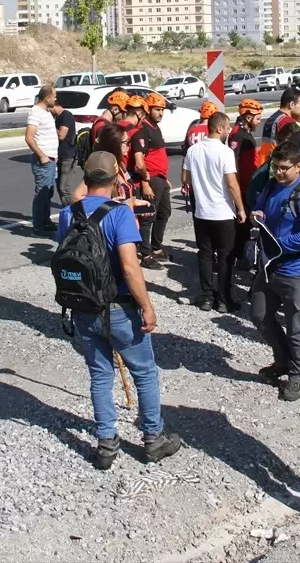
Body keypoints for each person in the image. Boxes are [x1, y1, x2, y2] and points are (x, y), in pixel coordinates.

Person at [59, 151, 182, 470]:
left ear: (86, 178)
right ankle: (154, 439)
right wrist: (148, 307)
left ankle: (106, 444)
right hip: (120, 308)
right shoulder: (119, 214)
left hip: (84, 307)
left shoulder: (66, 214)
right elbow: (129, 267)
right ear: (116, 177)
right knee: (145, 371)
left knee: (100, 374)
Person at [249, 141, 300, 402]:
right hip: (271, 266)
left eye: (284, 168)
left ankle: (297, 375)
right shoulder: (271, 186)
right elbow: (260, 210)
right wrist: (256, 216)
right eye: (276, 167)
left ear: (298, 166)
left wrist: (277, 244)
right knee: (259, 314)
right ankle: (282, 361)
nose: (279, 173)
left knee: (297, 326)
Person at [183, 112, 246, 312]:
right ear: (219, 129)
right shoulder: (225, 151)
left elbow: (185, 179)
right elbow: (231, 183)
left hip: (201, 212)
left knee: (205, 255)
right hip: (223, 213)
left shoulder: (193, 150)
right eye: (227, 127)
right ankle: (224, 300)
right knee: (226, 257)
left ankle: (207, 297)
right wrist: (241, 208)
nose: (229, 131)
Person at [130, 92, 173, 267]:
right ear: (148, 109)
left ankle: (156, 246)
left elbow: (158, 155)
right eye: (157, 109)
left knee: (164, 212)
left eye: (162, 110)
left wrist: (165, 177)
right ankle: (146, 254)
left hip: (160, 178)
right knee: (148, 217)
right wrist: (146, 182)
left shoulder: (155, 127)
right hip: (151, 180)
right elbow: (140, 161)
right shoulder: (143, 130)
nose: (160, 113)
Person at [227, 99, 263, 271]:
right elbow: (233, 164)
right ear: (248, 117)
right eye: (257, 118)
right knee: (242, 225)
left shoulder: (244, 132)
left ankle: (240, 256)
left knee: (246, 225)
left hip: (248, 185)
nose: (259, 121)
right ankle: (238, 256)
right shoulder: (237, 135)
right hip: (242, 187)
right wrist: (239, 189)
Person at [26, 85, 60, 234]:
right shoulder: (35, 113)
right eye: (54, 96)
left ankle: (46, 221)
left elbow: (57, 110)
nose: (56, 99)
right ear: (46, 98)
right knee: (42, 194)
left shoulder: (45, 111)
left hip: (51, 158)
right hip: (44, 160)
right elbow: (29, 137)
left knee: (48, 191)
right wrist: (42, 155)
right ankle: (38, 226)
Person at [258, 87, 300, 166]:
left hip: (266, 161)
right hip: (279, 163)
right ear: (292, 104)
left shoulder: (273, 118)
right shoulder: (286, 121)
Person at [53, 99, 78, 206]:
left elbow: (61, 135)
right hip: (61, 155)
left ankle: (74, 211)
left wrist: (51, 127)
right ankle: (66, 211)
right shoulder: (57, 117)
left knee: (64, 187)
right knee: (59, 186)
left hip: (69, 156)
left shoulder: (66, 115)